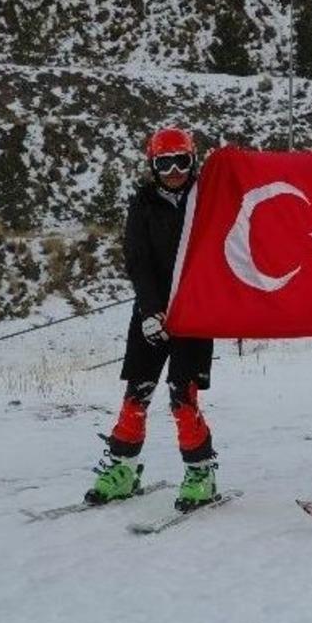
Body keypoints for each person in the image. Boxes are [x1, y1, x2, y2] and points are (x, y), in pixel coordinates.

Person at [85, 127, 218, 512]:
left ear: (193, 161)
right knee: (137, 392)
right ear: (152, 165)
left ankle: (200, 473)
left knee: (182, 392)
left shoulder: (206, 200)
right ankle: (122, 469)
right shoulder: (143, 203)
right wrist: (148, 310)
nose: (174, 170)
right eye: (165, 163)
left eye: (182, 161)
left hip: (194, 314)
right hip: (151, 312)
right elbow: (137, 259)